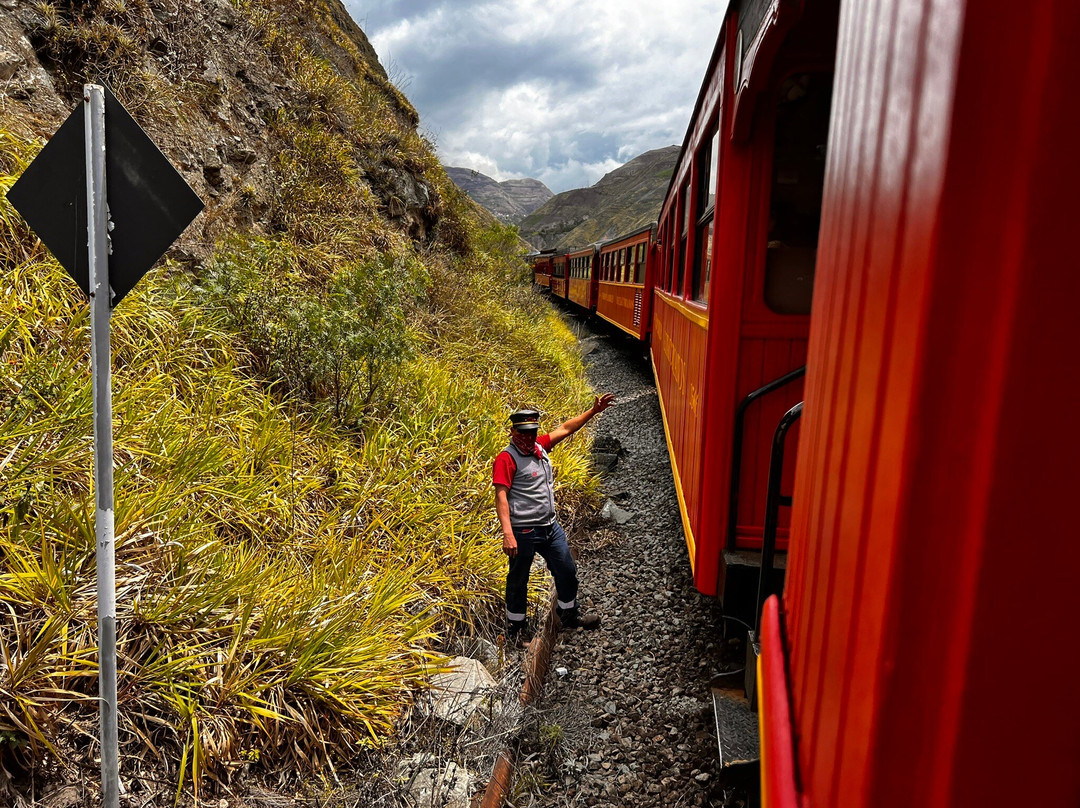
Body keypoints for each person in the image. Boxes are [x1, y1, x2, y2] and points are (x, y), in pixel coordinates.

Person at [492, 395, 616, 646]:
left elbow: (566, 428)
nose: (528, 437)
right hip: (523, 530)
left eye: (532, 432)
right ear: (513, 431)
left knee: (567, 570)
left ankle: (569, 615)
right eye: (523, 432)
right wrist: (508, 533)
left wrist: (593, 411)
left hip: (550, 527)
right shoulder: (506, 458)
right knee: (518, 580)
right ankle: (515, 632)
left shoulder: (539, 447)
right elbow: (501, 497)